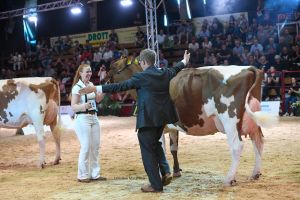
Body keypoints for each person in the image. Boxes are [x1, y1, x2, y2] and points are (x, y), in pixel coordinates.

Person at [79, 49, 190, 192]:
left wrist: (97, 87)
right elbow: (176, 68)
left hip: (148, 120)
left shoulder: (141, 77)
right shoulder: (164, 73)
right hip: (162, 118)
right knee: (155, 143)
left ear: (143, 62)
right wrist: (184, 61)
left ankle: (156, 185)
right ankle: (166, 170)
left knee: (147, 151)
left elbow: (120, 86)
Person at [70, 64, 106, 183]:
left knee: (95, 147)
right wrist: (84, 106)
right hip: (82, 118)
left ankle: (95, 174)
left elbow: (98, 99)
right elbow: (74, 107)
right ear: (80, 73)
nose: (89, 73)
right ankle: (82, 175)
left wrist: (104, 87)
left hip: (94, 117)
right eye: (87, 71)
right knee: (85, 147)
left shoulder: (91, 85)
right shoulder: (77, 87)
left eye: (90, 71)